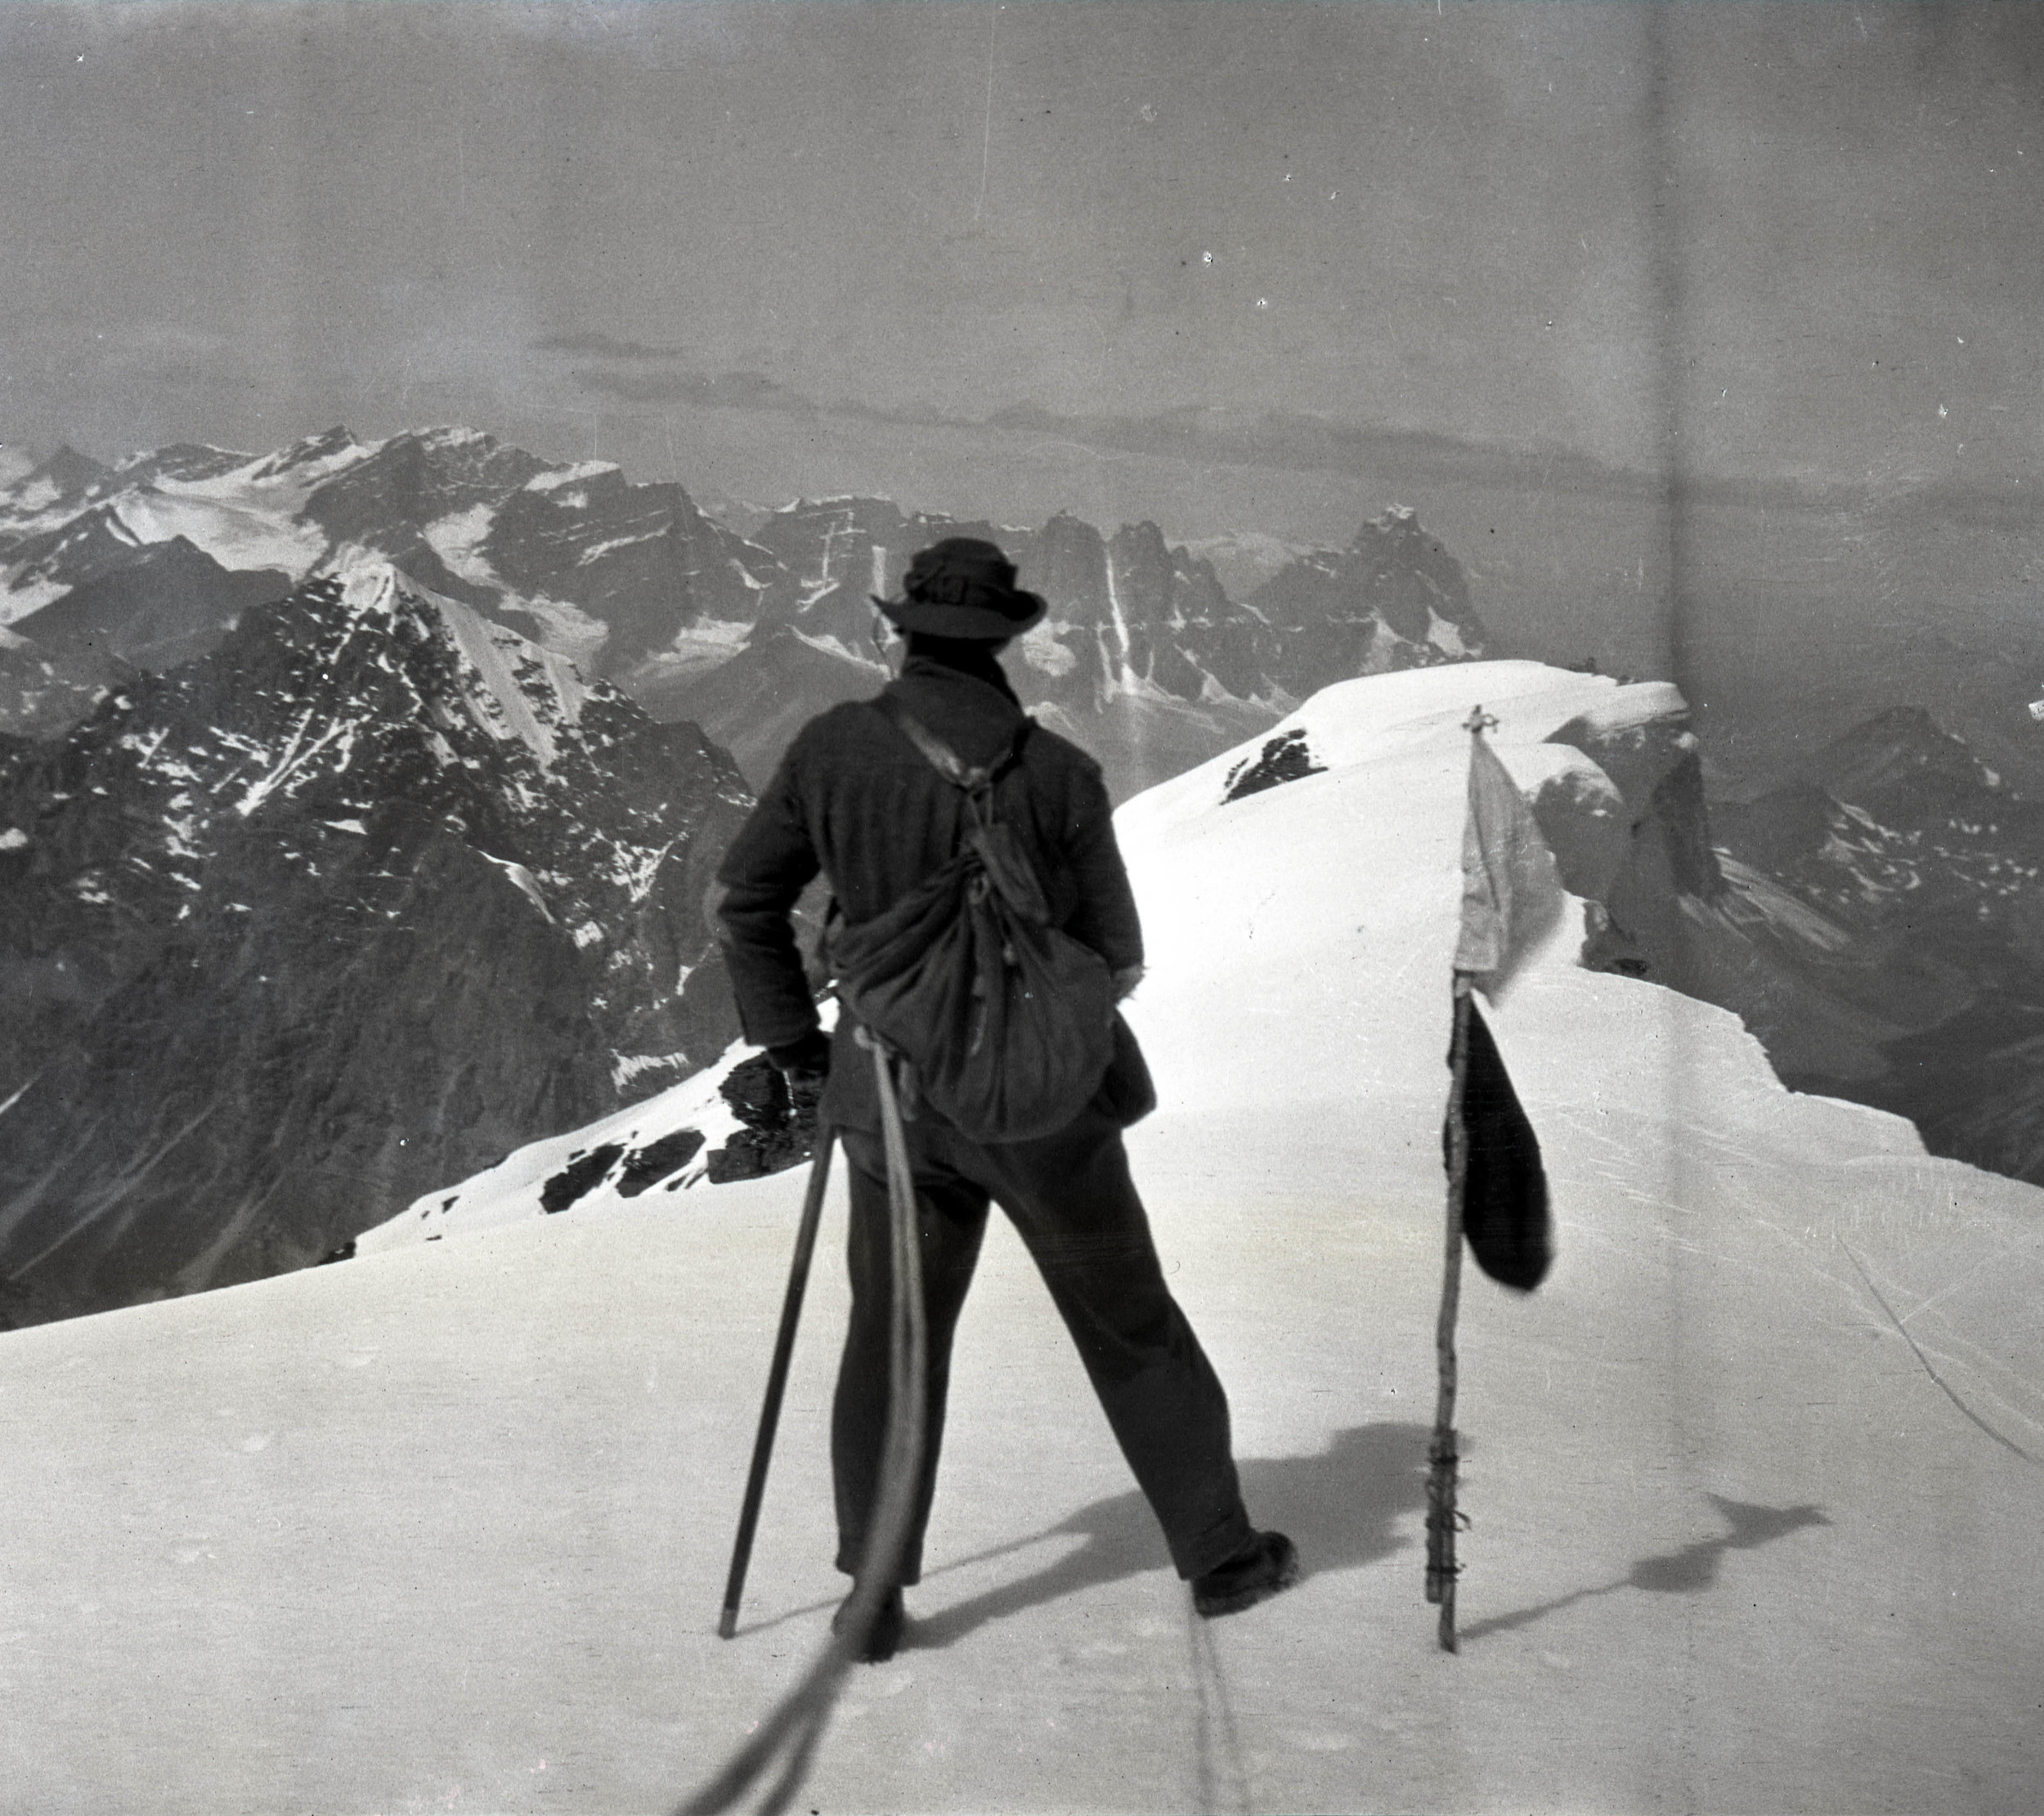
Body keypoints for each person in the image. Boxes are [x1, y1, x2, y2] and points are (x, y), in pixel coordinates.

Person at [711, 536, 1298, 1661]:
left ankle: (873, 1594)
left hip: (887, 1099)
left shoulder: (835, 750)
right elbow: (1116, 956)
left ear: (905, 630)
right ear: (1009, 641)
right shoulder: (1063, 775)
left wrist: (793, 1046)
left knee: (893, 1333)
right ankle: (1223, 1557)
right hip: (1044, 1114)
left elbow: (744, 904)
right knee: (1129, 1322)